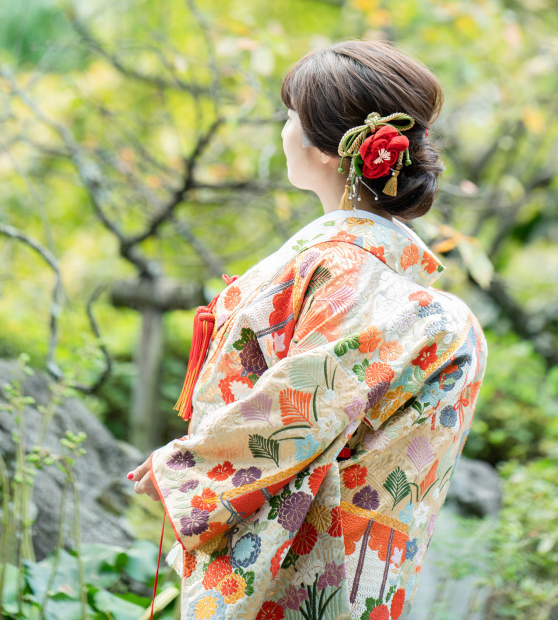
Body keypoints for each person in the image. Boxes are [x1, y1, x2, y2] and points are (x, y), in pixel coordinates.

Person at [130, 40, 487, 620]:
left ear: (326, 148)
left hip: (301, 563)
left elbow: (310, 400)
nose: (283, 132)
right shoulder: (400, 289)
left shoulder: (344, 267)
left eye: (290, 117)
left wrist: (188, 467)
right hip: (357, 568)